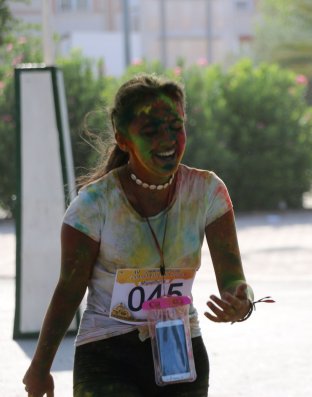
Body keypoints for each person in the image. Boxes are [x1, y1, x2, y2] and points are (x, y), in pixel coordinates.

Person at [22, 74, 254, 397]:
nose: (167, 139)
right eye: (150, 131)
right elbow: (68, 290)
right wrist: (40, 367)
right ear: (122, 139)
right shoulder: (93, 204)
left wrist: (242, 302)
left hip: (179, 349)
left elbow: (234, 280)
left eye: (176, 127)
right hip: (106, 353)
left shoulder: (208, 192)